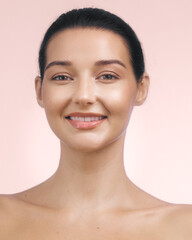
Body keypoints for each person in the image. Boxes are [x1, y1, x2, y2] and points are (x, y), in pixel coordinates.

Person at [0, 7, 191, 239]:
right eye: (62, 77)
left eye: (107, 76)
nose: (83, 96)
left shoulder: (184, 227)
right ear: (40, 91)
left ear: (141, 88)